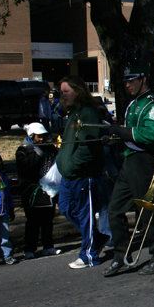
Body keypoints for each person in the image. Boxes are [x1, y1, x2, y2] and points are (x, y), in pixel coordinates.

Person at [102, 64, 154, 277]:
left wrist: (121, 132)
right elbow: (131, 136)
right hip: (129, 160)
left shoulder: (153, 105)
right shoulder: (133, 104)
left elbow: (151, 135)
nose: (128, 85)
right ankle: (121, 256)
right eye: (126, 81)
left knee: (146, 211)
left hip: (144, 161)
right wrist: (115, 140)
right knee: (115, 209)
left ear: (143, 79)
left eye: (132, 81)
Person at [56, 75, 109, 269]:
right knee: (65, 206)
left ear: (77, 91)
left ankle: (89, 255)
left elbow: (88, 147)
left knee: (85, 214)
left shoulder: (88, 113)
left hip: (82, 174)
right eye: (61, 92)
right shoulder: (74, 112)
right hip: (69, 175)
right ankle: (97, 237)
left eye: (66, 91)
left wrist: (72, 165)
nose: (63, 96)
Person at [16, 122, 61, 260]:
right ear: (32, 136)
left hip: (48, 190)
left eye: (44, 136)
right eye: (39, 136)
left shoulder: (50, 148)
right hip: (31, 191)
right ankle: (30, 248)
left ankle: (48, 246)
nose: (42, 139)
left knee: (47, 220)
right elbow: (28, 168)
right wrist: (38, 152)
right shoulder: (23, 151)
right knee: (32, 222)